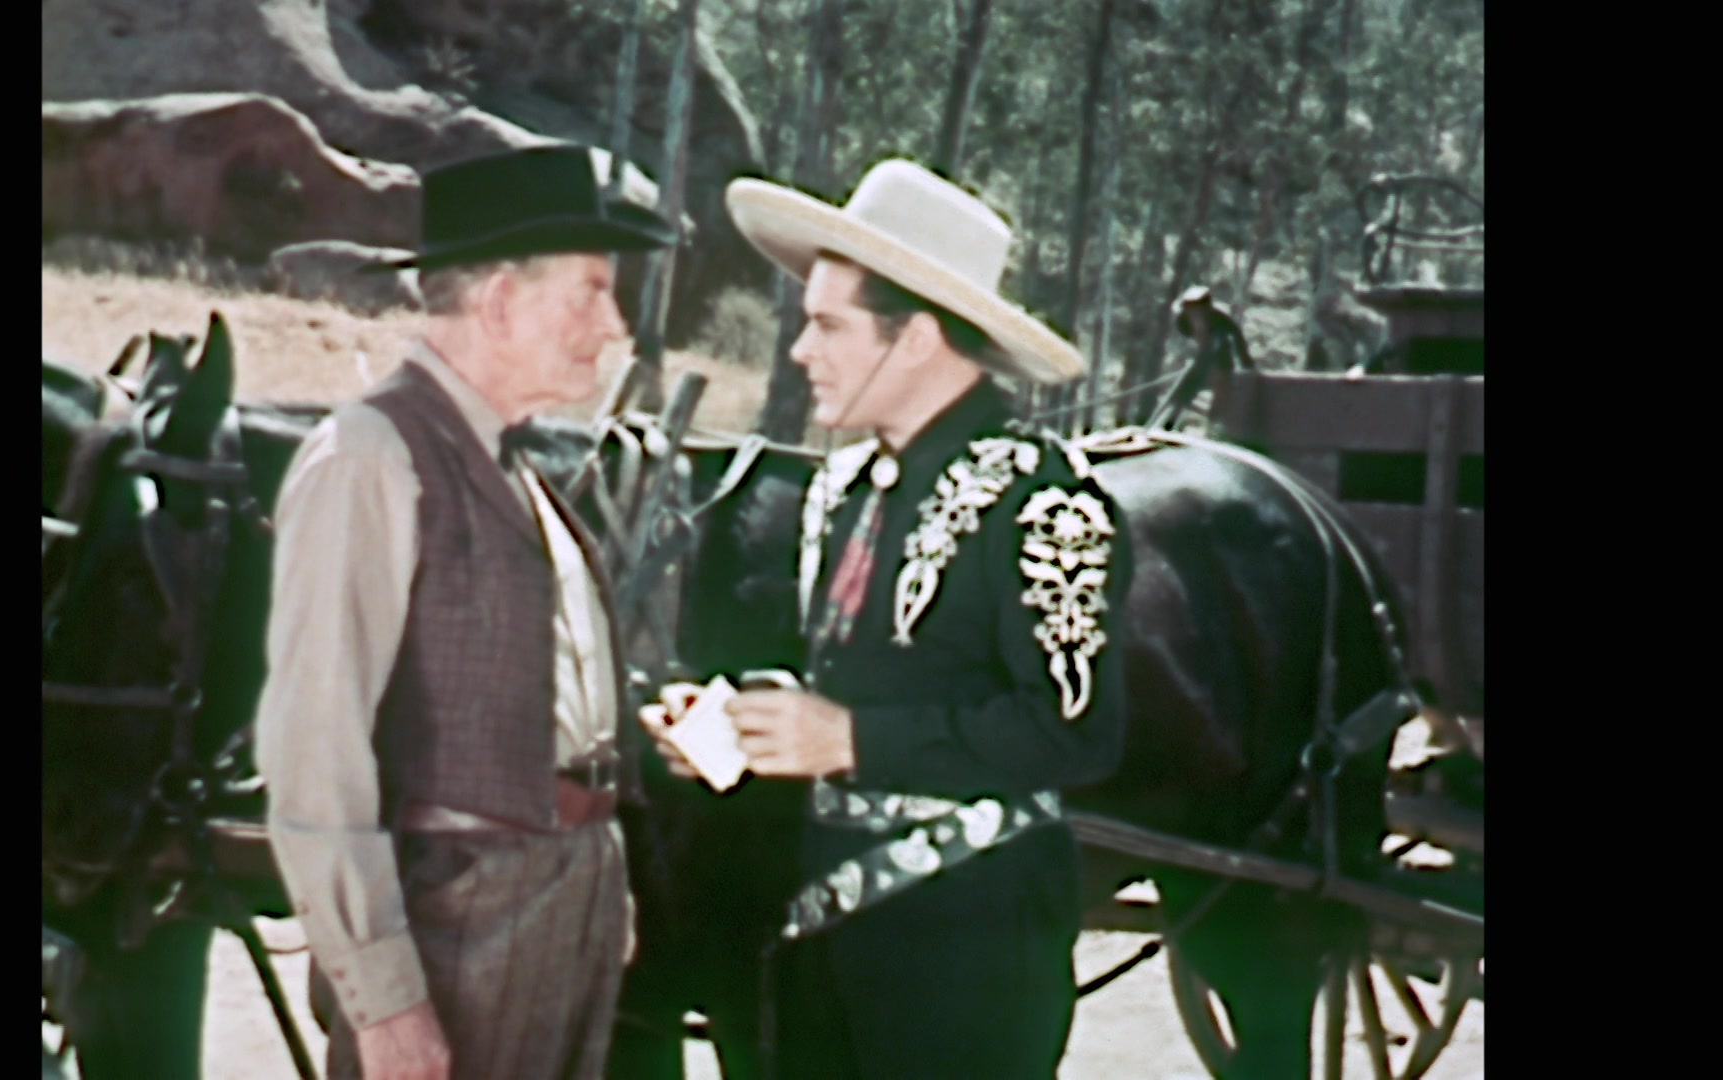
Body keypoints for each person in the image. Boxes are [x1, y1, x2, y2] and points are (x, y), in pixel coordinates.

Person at [642, 159, 1134, 1078]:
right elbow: (863, 685)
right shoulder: (842, 490)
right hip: (821, 945)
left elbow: (1076, 735)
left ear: (914, 339)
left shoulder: (1046, 504)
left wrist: (848, 740)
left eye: (829, 325)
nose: (800, 351)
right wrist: (747, 725)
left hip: (971, 960)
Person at [253, 143, 675, 1080]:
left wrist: (601, 878)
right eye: (591, 292)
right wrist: (384, 999)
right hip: (455, 924)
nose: (613, 327)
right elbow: (314, 755)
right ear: (500, 302)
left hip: (557, 903)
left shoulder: (512, 467)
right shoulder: (370, 455)